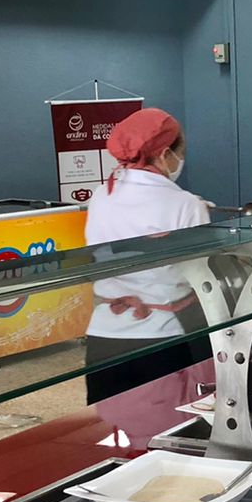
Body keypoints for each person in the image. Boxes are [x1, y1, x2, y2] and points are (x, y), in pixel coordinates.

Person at [83, 107, 211, 404]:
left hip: (104, 336)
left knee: (114, 423)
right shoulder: (185, 204)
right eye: (180, 152)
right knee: (175, 425)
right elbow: (201, 271)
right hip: (164, 335)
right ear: (165, 154)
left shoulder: (101, 196)